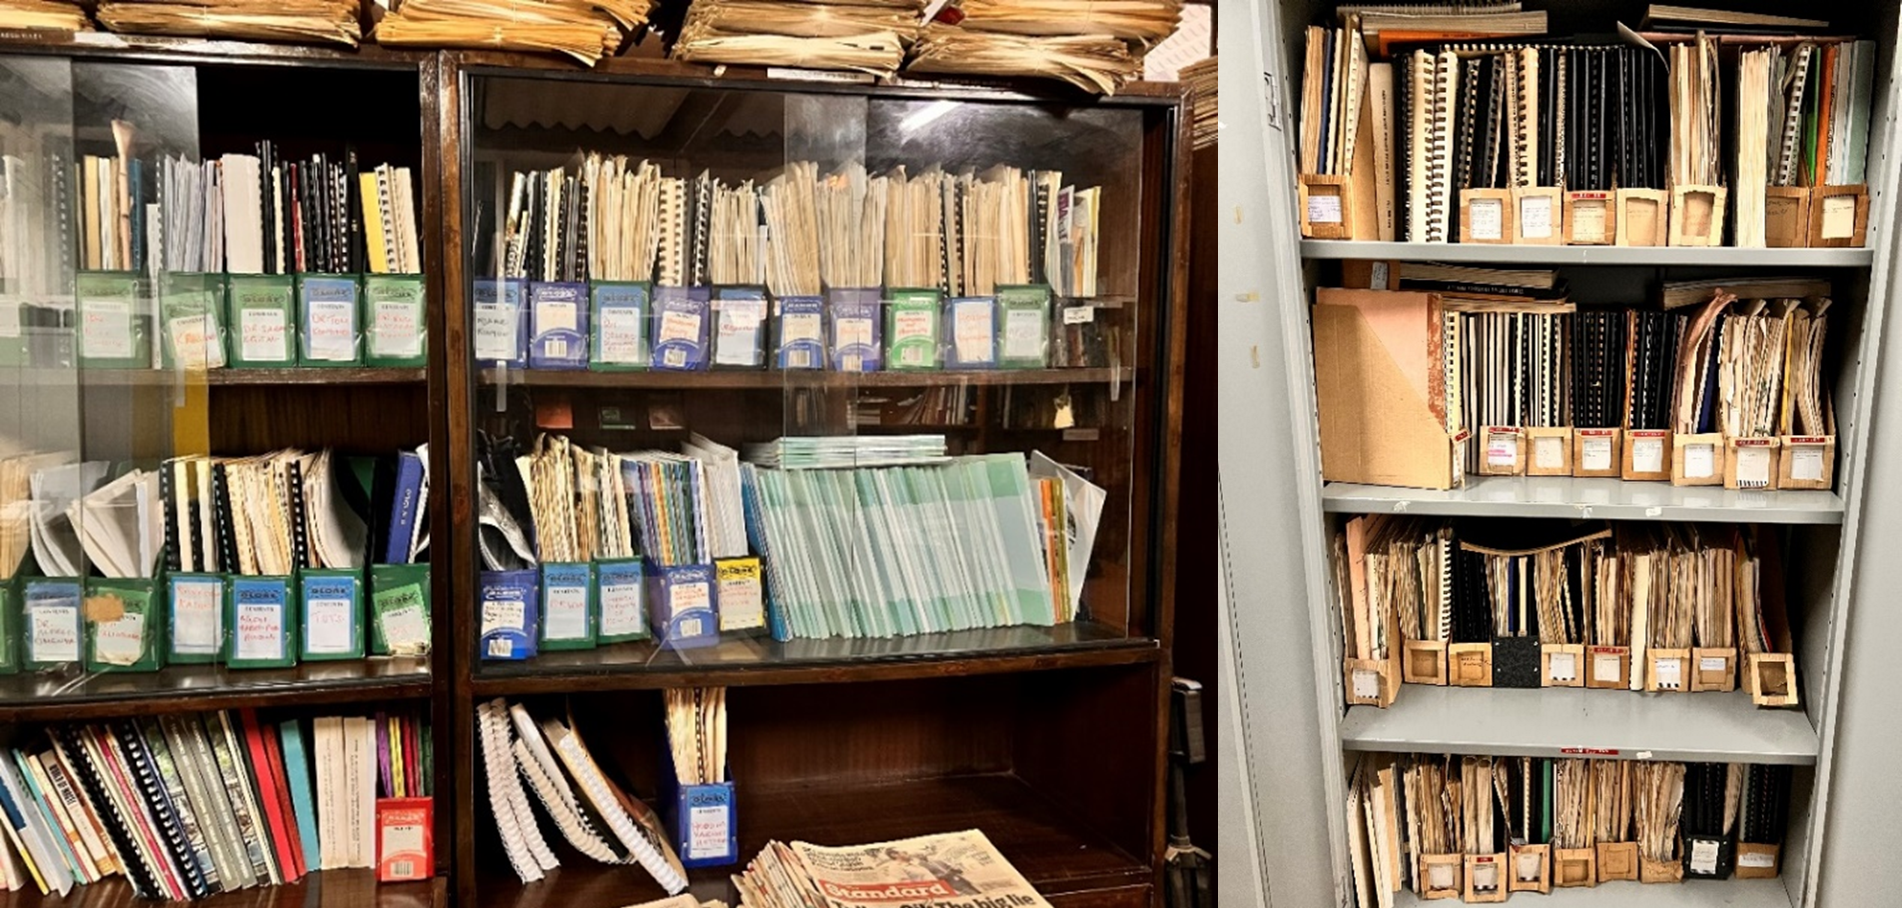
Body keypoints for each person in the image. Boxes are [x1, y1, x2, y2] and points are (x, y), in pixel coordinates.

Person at [883, 848, 978, 896]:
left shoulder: (917, 864)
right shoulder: (896, 868)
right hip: (934, 892)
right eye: (904, 852)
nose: (908, 854)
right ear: (894, 855)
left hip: (950, 887)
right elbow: (907, 885)